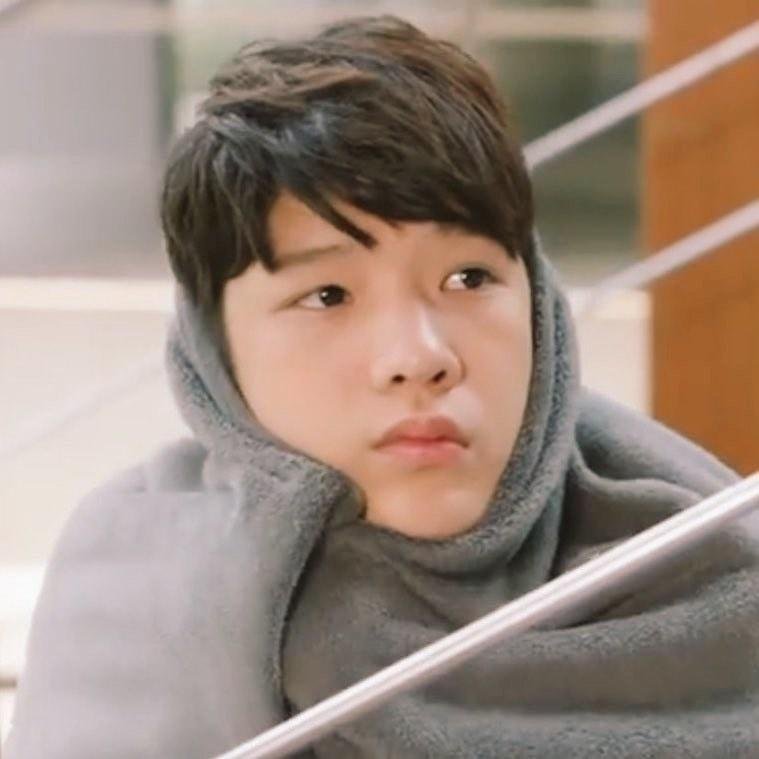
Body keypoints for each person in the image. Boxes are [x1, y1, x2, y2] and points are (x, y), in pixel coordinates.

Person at [5, 15, 759, 759]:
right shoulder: (136, 599)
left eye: (468, 278)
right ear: (218, 348)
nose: (418, 357)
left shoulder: (694, 555)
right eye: (328, 295)